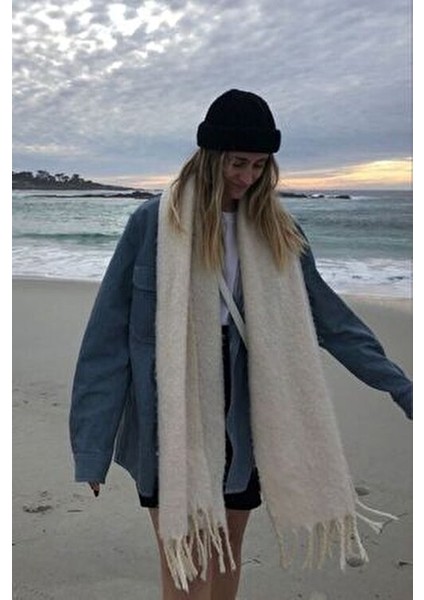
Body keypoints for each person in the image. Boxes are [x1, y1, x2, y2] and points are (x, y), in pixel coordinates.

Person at [69, 89, 412, 600]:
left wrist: (401, 387)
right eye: (237, 162)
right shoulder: (155, 223)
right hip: (172, 411)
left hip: (249, 409)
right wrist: (92, 448)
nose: (248, 176)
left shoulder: (278, 229)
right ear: (210, 157)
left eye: (258, 164)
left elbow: (333, 321)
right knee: (188, 563)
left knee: (226, 548)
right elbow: (108, 338)